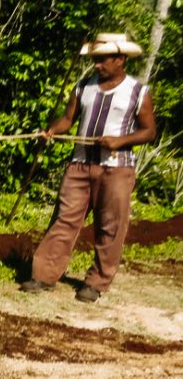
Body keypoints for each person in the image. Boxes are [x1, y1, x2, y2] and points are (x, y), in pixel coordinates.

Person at [20, 33, 156, 303]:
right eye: (95, 60)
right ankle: (44, 276)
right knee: (64, 219)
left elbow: (149, 131)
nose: (97, 65)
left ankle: (96, 283)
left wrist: (120, 141)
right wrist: (51, 131)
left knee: (110, 226)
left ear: (120, 60)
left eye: (102, 60)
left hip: (116, 169)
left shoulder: (138, 91)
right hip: (80, 165)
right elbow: (68, 120)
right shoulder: (84, 87)